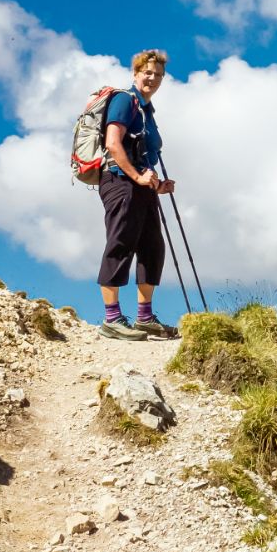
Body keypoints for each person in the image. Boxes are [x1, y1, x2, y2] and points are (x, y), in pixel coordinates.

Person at [96, 49, 177, 339]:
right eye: (148, 73)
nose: (153, 79)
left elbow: (141, 153)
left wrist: (157, 184)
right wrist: (137, 176)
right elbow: (113, 144)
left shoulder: (147, 110)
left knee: (153, 247)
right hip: (119, 182)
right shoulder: (124, 100)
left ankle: (144, 317)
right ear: (135, 73)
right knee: (120, 243)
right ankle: (112, 318)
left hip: (141, 186)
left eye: (158, 75)